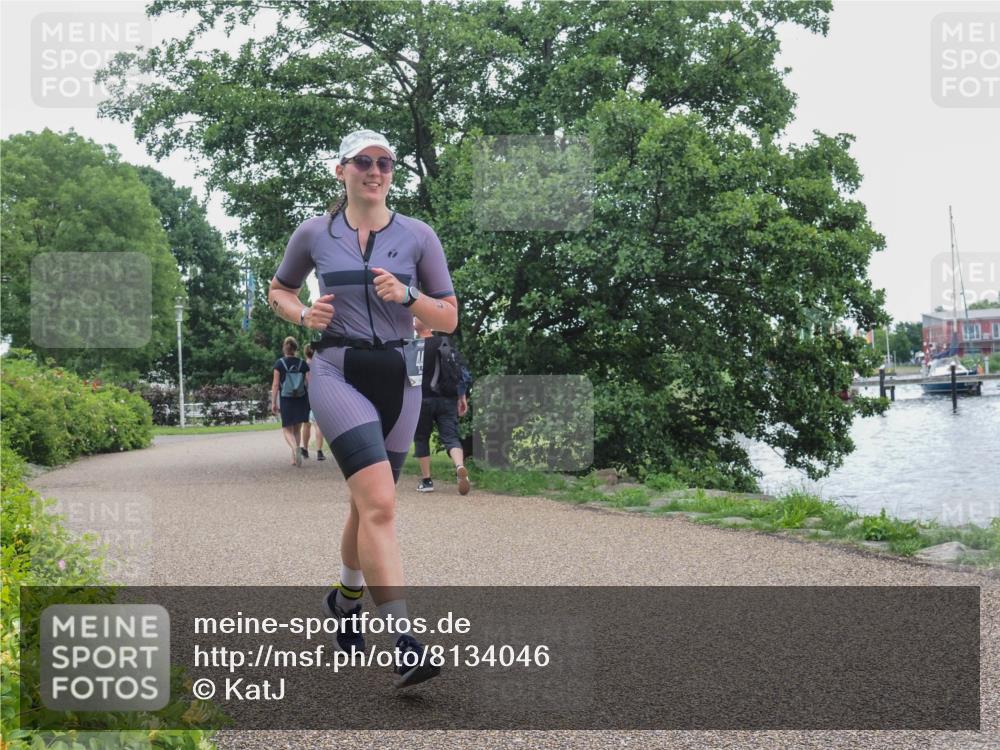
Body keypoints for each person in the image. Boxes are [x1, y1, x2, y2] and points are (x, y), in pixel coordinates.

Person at [268, 128, 457, 688]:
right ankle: (403, 640)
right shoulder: (314, 234)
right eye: (364, 162)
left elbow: (447, 317)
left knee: (366, 503)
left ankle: (346, 598)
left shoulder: (419, 236)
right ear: (341, 170)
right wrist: (302, 315)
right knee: (379, 502)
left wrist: (410, 298)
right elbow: (279, 289)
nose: (376, 172)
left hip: (401, 374)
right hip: (337, 371)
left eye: (386, 163)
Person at [413, 317, 471, 495]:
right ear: (431, 326)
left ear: (415, 326)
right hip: (447, 399)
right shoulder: (446, 344)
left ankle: (427, 480)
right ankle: (460, 467)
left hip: (422, 400)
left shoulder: (413, 348)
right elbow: (462, 373)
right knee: (451, 438)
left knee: (422, 438)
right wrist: (462, 397)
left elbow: (406, 379)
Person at [271, 336, 311, 467]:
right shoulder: (302, 364)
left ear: (284, 348)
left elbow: (276, 385)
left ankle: (295, 449)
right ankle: (294, 458)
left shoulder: (279, 364)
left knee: (286, 428)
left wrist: (273, 402)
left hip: (286, 399)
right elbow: (309, 382)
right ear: (295, 348)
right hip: (301, 398)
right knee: (297, 429)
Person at [301, 344, 326, 461]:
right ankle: (319, 451)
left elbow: (307, 380)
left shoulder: (305, 364)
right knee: (318, 424)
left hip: (307, 396)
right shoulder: (321, 364)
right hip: (320, 395)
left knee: (306, 424)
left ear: (306, 353)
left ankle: (305, 449)